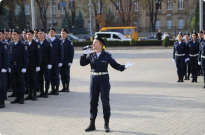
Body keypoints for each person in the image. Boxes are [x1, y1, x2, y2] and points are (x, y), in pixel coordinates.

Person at [80, 35, 134, 132]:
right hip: (93, 79)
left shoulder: (107, 55)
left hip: (104, 80)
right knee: (93, 102)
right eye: (93, 42)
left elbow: (115, 65)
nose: (93, 43)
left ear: (101, 44)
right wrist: (84, 54)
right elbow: (82, 63)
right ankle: (92, 124)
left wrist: (124, 67)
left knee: (105, 102)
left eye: (95, 42)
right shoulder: (91, 55)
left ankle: (106, 125)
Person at [9, 29, 28, 104]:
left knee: (21, 82)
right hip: (13, 66)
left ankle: (22, 97)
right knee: (15, 82)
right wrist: (9, 66)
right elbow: (9, 56)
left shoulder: (22, 45)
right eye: (12, 34)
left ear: (18, 35)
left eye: (15, 34)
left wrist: (25, 67)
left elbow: (25, 57)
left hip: (20, 65)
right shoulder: (10, 45)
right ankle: (17, 97)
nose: (13, 36)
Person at [23, 29, 42, 101]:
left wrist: (38, 65)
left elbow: (39, 56)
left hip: (33, 64)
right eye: (27, 34)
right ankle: (29, 94)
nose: (28, 36)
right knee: (28, 79)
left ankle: (34, 94)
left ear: (33, 35)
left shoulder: (36, 44)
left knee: (34, 79)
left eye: (30, 34)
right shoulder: (25, 44)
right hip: (27, 64)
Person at [37, 29, 53, 98]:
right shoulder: (36, 43)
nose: (40, 35)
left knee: (47, 77)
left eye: (41, 33)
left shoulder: (48, 43)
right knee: (40, 78)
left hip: (46, 62)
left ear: (44, 34)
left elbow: (51, 54)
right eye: (39, 33)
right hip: (39, 63)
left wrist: (50, 63)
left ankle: (46, 91)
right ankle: (41, 91)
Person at [47, 28, 63, 95]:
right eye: (50, 32)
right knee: (50, 75)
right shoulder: (47, 41)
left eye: (52, 32)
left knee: (56, 75)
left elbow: (61, 52)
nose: (51, 33)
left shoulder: (58, 41)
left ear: (55, 33)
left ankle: (56, 89)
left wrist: (60, 61)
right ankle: (52, 88)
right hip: (49, 60)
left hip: (56, 59)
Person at [0, 30, 9, 108]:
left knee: (2, 85)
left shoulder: (4, 45)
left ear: (3, 35)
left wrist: (5, 67)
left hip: (1, 66)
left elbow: (7, 57)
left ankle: (2, 101)